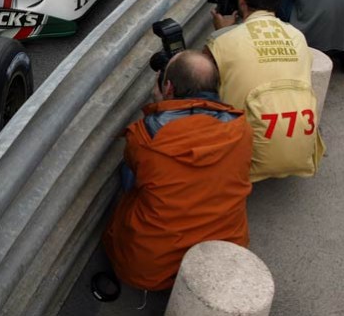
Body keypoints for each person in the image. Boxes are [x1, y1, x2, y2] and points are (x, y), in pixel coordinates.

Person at [102, 50, 252, 295]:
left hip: (148, 269)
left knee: (133, 171)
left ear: (168, 86)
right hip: (226, 251)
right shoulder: (242, 129)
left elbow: (139, 170)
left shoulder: (144, 137)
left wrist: (157, 105)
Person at [205, 0, 325, 182]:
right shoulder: (298, 36)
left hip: (242, 160)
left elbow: (199, 78)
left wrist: (219, 32)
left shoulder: (223, 41)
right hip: (300, 150)